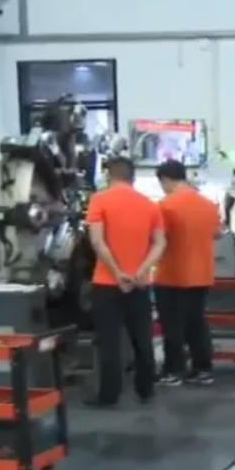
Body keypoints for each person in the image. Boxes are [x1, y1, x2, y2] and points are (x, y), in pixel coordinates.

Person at [84, 156, 166, 407]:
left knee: (109, 342)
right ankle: (145, 389)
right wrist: (141, 271)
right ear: (132, 177)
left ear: (109, 175)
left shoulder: (99, 200)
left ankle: (109, 395)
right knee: (142, 339)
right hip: (140, 284)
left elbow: (97, 241)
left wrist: (118, 272)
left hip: (107, 284)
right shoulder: (150, 205)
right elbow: (160, 243)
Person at [154, 159, 221, 387]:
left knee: (172, 325)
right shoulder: (208, 205)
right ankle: (203, 369)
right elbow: (217, 233)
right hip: (202, 273)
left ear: (165, 179)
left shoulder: (165, 206)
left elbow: (159, 240)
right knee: (197, 323)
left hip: (172, 275)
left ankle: (173, 371)